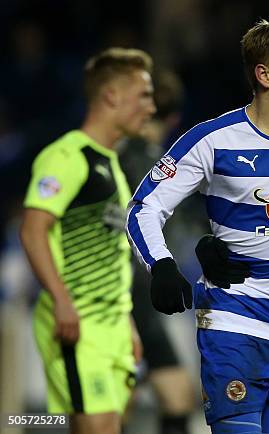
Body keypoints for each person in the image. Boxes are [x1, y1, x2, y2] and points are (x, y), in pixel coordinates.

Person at [125, 18, 269, 434]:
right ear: (263, 75)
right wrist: (161, 264)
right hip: (235, 321)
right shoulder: (212, 140)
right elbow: (144, 207)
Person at [20, 48, 155, 434]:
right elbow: (32, 229)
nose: (150, 107)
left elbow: (108, 251)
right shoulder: (67, 156)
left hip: (112, 324)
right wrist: (61, 299)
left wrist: (126, 321)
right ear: (111, 96)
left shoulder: (110, 162)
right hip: (78, 323)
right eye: (143, 95)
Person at [121, 68, 196, 434]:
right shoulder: (148, 161)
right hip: (127, 296)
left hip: (137, 294)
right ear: (175, 119)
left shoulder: (121, 155)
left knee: (176, 394)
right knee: (117, 407)